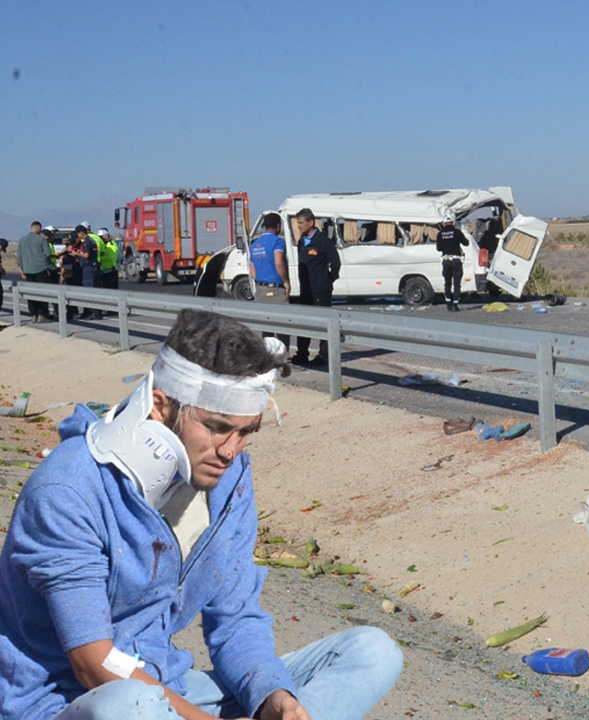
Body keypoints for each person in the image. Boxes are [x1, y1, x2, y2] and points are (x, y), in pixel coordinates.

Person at [0, 309, 402, 720]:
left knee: (373, 652)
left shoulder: (228, 482)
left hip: (166, 689)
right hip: (69, 703)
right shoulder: (69, 490)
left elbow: (237, 619)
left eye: (246, 432)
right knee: (128, 705)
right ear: (160, 405)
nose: (231, 450)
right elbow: (95, 661)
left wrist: (271, 695)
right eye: (216, 426)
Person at [291, 208, 341, 365]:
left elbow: (336, 263)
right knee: (304, 323)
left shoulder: (323, 241)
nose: (298, 226)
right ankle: (302, 354)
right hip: (306, 290)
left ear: (310, 223)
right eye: (297, 222)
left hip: (320, 290)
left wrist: (326, 280)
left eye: (301, 222)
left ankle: (324, 356)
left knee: (323, 325)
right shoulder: (302, 241)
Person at [248, 213, 292, 353]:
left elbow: (252, 271)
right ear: (278, 226)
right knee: (283, 327)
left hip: (260, 289)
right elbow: (279, 263)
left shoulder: (255, 244)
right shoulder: (278, 242)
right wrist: (286, 281)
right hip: (276, 289)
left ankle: (269, 357)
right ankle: (283, 358)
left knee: (266, 327)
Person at [17, 220, 56, 322]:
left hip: (28, 270)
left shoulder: (22, 240)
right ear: (39, 229)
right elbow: (48, 254)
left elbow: (19, 257)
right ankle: (42, 315)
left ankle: (33, 314)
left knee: (31, 294)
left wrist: (23, 269)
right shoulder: (41, 240)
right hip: (40, 270)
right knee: (42, 293)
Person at [435, 212, 469, 312]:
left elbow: (438, 248)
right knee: (457, 283)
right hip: (456, 260)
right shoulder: (457, 232)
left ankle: (449, 304)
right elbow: (466, 243)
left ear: (444, 224)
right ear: (453, 223)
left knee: (447, 283)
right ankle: (455, 304)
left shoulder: (440, 234)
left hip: (446, 261)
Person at [74, 224, 105, 320]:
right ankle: (95, 312)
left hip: (89, 267)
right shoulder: (92, 240)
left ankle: (94, 313)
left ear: (81, 233)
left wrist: (77, 254)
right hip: (93, 267)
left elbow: (86, 255)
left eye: (78, 234)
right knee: (93, 289)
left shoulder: (87, 242)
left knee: (89, 290)